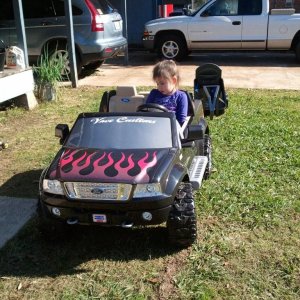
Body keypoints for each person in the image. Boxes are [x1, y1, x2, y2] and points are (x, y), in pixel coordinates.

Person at [146, 60, 188, 126]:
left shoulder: (181, 96)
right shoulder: (154, 93)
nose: (159, 87)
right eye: (157, 83)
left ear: (174, 80)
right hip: (153, 126)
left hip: (171, 129)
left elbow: (181, 120)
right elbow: (146, 111)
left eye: (162, 83)